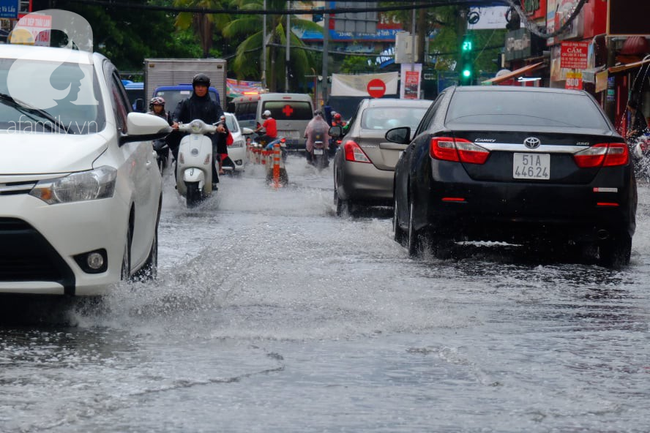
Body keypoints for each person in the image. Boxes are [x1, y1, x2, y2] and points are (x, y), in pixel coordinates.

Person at [172, 73, 227, 187]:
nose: (200, 88)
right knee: (178, 154)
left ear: (207, 87)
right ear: (194, 87)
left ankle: (212, 182)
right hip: (187, 136)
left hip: (208, 137)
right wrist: (175, 123)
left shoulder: (213, 104)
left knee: (210, 155)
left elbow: (220, 116)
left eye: (203, 86)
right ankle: (179, 180)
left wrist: (220, 125)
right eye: (198, 86)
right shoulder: (185, 102)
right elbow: (176, 114)